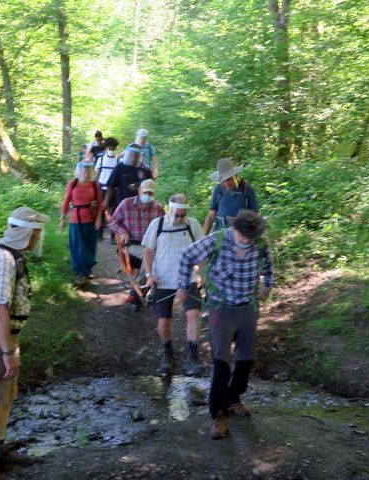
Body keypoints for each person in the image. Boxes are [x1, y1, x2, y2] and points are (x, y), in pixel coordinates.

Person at [176, 209, 273, 440]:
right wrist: (182, 285)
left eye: (250, 237)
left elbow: (269, 266)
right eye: (242, 235)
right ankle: (219, 415)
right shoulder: (218, 239)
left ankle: (234, 398)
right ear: (235, 228)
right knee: (221, 362)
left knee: (245, 359)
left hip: (248, 308)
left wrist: (267, 285)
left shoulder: (260, 243)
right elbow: (186, 255)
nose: (246, 240)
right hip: (221, 308)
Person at [0, 207, 50, 477]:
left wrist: (11, 347)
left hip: (6, 337)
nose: (38, 238)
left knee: (6, 397)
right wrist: (7, 352)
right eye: (36, 233)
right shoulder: (3, 258)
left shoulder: (12, 256)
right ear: (25, 233)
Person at [142, 194, 204, 375]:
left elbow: (201, 252)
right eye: (177, 215)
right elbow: (148, 251)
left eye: (183, 215)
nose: (179, 218)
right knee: (163, 322)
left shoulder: (193, 225)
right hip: (162, 280)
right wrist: (149, 274)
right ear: (169, 210)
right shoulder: (157, 225)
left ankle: (193, 356)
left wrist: (204, 276)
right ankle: (168, 353)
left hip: (188, 279)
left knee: (194, 315)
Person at [108, 179, 164, 311]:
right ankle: (139, 292)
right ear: (139, 191)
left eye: (151, 193)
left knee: (155, 255)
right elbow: (112, 222)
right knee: (152, 256)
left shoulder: (158, 208)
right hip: (131, 245)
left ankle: (137, 293)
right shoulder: (126, 204)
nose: (148, 195)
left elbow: (165, 227)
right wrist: (122, 232)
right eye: (145, 192)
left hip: (151, 246)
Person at [60, 162, 102, 287]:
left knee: (89, 245)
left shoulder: (95, 185)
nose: (86, 174)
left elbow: (100, 204)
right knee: (78, 247)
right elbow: (66, 201)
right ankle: (80, 272)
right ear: (78, 172)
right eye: (83, 171)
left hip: (91, 218)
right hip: (75, 219)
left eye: (88, 171)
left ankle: (87, 269)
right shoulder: (72, 184)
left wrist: (99, 219)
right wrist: (62, 218)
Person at [203, 158, 258, 235]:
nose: (226, 183)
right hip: (220, 233)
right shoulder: (218, 190)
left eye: (229, 179)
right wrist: (204, 237)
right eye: (223, 180)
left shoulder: (247, 189)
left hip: (241, 234)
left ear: (235, 175)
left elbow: (255, 215)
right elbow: (210, 216)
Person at [102, 144, 153, 211]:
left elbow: (151, 187)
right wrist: (106, 201)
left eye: (136, 156)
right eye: (131, 155)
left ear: (139, 156)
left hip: (140, 205)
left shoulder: (145, 169)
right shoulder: (120, 167)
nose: (133, 158)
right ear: (127, 154)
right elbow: (111, 186)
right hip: (122, 204)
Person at [95, 137, 120, 241]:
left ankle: (112, 236)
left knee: (114, 213)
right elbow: (97, 173)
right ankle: (99, 234)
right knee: (100, 211)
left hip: (114, 189)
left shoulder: (118, 160)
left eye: (113, 148)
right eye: (110, 147)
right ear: (107, 147)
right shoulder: (100, 159)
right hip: (103, 188)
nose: (112, 150)